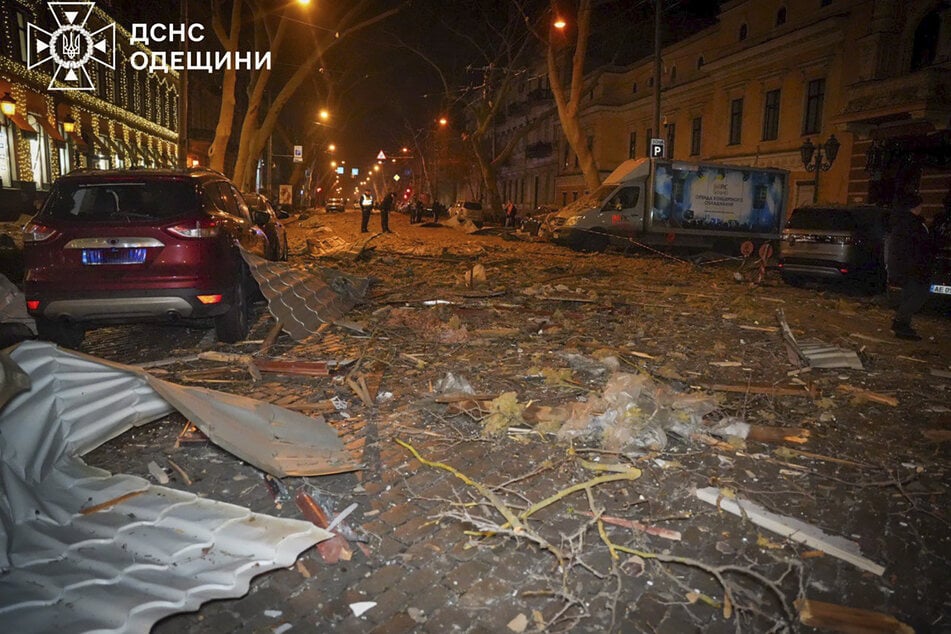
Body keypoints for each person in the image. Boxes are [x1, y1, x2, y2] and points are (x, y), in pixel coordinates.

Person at [886, 192, 934, 340]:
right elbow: (919, 247)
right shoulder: (912, 224)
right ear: (915, 206)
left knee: (910, 295)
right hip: (913, 267)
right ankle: (901, 324)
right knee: (918, 295)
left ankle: (902, 324)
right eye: (920, 205)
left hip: (908, 267)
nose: (922, 207)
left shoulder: (904, 222)